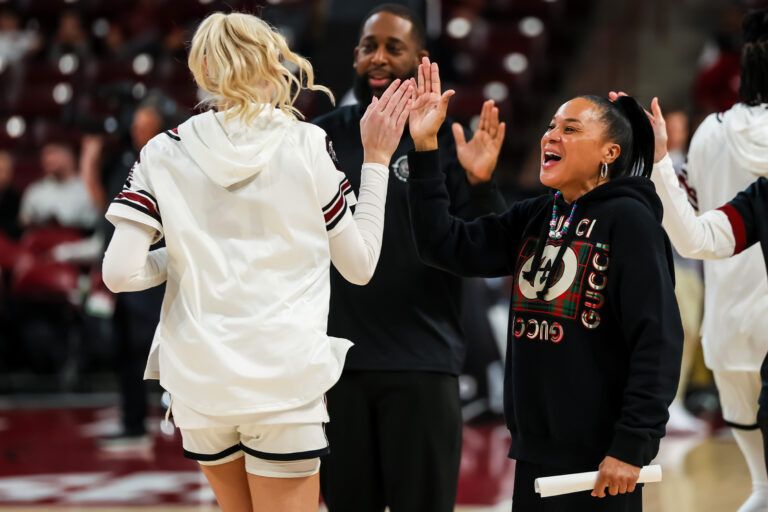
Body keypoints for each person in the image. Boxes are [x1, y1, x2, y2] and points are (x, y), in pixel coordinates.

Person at [101, 12, 412, 512]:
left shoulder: (162, 150)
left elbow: (118, 274)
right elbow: (360, 266)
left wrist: (183, 255)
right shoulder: (306, 142)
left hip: (199, 384)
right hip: (284, 381)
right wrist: (376, 161)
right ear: (271, 59)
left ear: (201, 66)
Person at [406, 57, 683, 512]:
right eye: (551, 126)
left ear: (609, 153)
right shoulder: (537, 213)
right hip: (534, 453)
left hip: (602, 461)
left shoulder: (630, 221)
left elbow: (658, 339)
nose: (551, 136)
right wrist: (424, 148)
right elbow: (444, 246)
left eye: (571, 129)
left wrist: (633, 444)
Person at [312, 5, 507, 511]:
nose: (377, 57)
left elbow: (487, 252)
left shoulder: (446, 140)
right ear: (354, 55)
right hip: (337, 368)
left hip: (424, 364)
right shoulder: (318, 138)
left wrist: (482, 186)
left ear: (420, 59)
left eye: (392, 47)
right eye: (368, 46)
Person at [652, 9, 768, 511]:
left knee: (762, 488)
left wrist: (658, 163)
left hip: (727, 323)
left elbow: (693, 229)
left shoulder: (708, 133)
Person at [19, 142, 98, 230]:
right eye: (45, 154)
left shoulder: (87, 188)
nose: (48, 159)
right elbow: (24, 223)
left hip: (81, 240)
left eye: (53, 153)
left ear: (69, 155)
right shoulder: (35, 190)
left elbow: (96, 224)